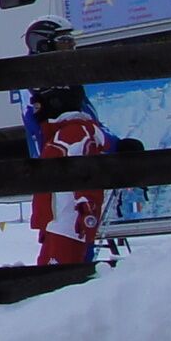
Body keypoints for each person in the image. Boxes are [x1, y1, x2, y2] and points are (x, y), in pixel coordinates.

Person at [28, 86, 114, 267]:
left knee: (57, 283)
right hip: (57, 222)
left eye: (38, 107)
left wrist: (86, 212)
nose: (35, 113)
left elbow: (85, 175)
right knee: (48, 278)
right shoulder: (60, 134)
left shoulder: (73, 134)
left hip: (68, 224)